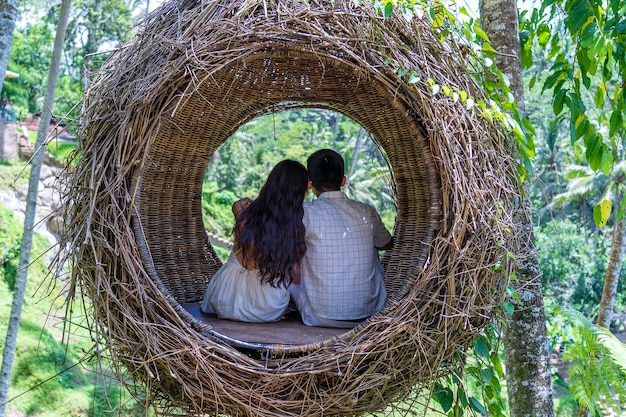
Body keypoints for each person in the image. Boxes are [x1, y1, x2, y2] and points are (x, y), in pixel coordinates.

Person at [290, 149, 393, 328]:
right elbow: (387, 244)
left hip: (319, 315)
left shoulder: (304, 213)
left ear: (309, 184)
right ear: (343, 181)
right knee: (371, 247)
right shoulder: (366, 211)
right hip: (367, 314)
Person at [201, 159, 309, 322]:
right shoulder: (294, 226)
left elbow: (249, 254)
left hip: (223, 300)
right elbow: (295, 277)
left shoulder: (244, 210)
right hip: (266, 308)